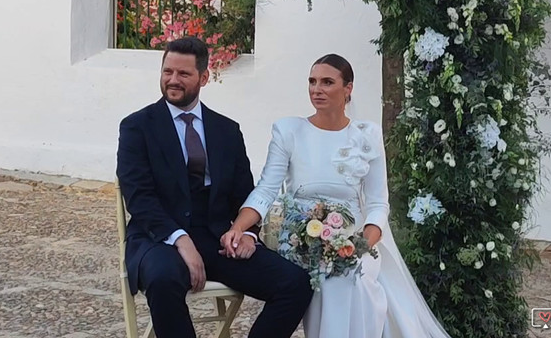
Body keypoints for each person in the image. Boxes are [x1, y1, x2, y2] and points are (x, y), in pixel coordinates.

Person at [221, 53, 452, 338]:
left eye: (327, 82)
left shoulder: (367, 135)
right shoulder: (289, 130)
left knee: (356, 279)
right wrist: (238, 227)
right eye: (312, 81)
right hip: (300, 241)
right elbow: (266, 190)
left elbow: (379, 204)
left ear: (348, 88)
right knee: (326, 282)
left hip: (355, 240)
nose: (316, 89)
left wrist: (359, 247)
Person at [116, 37, 313, 338]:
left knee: (296, 283)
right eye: (167, 72)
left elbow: (244, 193)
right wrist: (181, 241)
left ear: (204, 77)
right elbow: (139, 198)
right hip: (160, 237)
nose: (173, 80)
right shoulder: (136, 127)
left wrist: (247, 233)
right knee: (163, 279)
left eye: (184, 74)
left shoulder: (227, 130)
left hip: (217, 237)